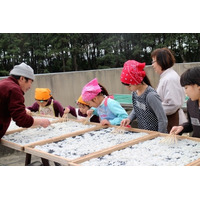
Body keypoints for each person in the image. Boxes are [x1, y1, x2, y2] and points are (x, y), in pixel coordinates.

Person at [0, 62, 50, 139]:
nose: (30, 86)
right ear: (22, 78)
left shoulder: (4, 83)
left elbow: (8, 107)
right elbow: (21, 120)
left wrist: (22, 110)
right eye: (31, 82)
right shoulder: (14, 89)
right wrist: (41, 122)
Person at [120, 60, 168, 133]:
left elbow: (162, 120)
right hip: (143, 134)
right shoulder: (134, 93)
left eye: (129, 85)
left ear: (137, 81)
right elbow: (137, 109)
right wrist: (129, 119)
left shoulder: (151, 96)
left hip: (155, 135)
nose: (128, 88)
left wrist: (159, 136)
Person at [151, 47, 187, 132]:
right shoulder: (166, 77)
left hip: (173, 120)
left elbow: (173, 104)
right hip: (168, 118)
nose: (152, 65)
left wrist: (154, 108)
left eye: (153, 61)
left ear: (161, 61)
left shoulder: (170, 78)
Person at [170, 66, 200, 138]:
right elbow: (191, 124)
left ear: (198, 85)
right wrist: (182, 127)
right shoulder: (190, 103)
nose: (186, 92)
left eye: (186, 88)